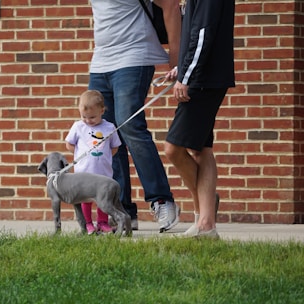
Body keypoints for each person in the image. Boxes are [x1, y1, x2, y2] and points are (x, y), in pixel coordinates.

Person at [88, 0, 182, 232]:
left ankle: (161, 199)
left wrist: (176, 57)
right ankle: (121, 211)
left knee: (131, 127)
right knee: (107, 134)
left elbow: (170, 4)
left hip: (134, 55)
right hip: (101, 61)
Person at [164, 0, 235, 238]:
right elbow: (198, 31)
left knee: (173, 149)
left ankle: (205, 216)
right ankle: (205, 222)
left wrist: (186, 76)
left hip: (203, 80)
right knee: (201, 149)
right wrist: (181, 68)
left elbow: (204, 33)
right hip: (204, 76)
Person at [65, 90, 122, 235]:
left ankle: (103, 222)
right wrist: (81, 156)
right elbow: (69, 144)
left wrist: (104, 158)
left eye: (92, 117)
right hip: (84, 173)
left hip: (103, 172)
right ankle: (88, 224)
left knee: (103, 198)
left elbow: (115, 147)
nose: (88, 120)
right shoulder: (78, 126)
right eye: (84, 117)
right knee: (86, 199)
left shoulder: (109, 127)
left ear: (102, 111)